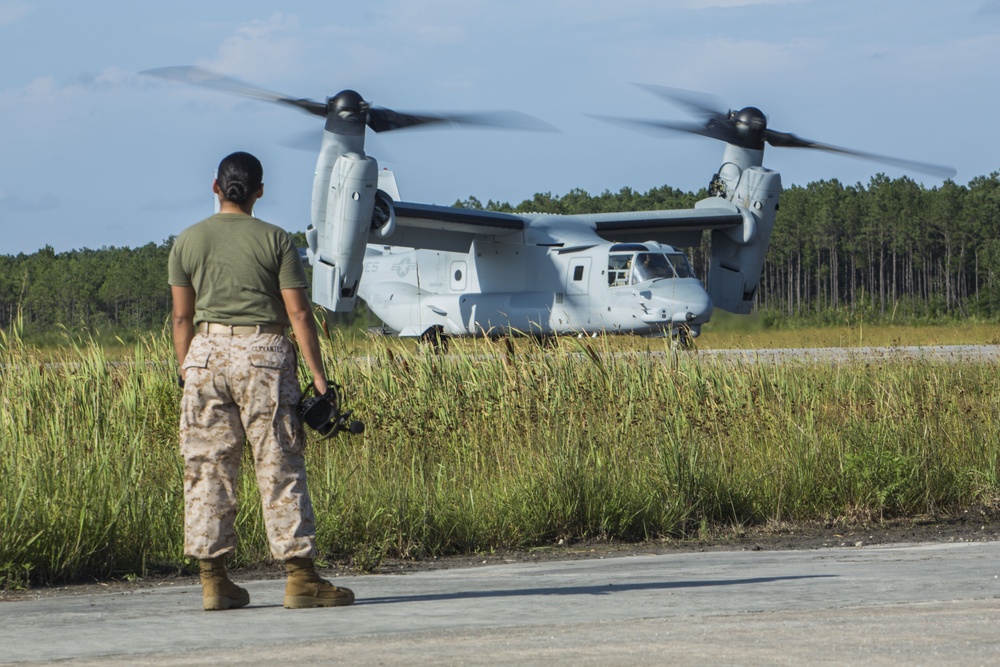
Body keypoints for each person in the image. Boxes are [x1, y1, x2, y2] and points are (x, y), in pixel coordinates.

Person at [168, 151, 354, 611]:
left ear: (216, 187)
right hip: (263, 355)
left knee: (207, 467)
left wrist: (186, 369)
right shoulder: (276, 240)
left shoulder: (187, 241)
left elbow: (181, 316)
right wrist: (319, 379)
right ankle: (301, 579)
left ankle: (214, 581)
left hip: (205, 355)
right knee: (279, 466)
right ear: (260, 191)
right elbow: (297, 313)